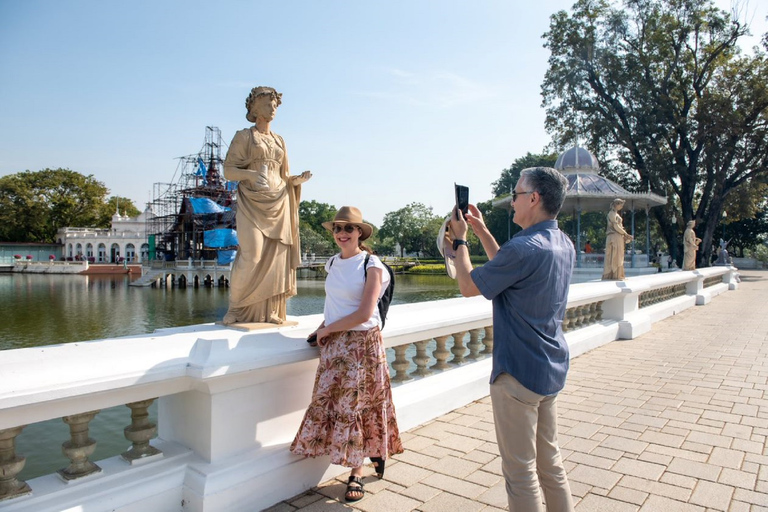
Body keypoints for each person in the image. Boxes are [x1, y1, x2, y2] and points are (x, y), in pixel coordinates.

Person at [449, 167, 575, 511]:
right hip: (549, 369)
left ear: (534, 198)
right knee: (550, 463)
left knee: (520, 472)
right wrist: (482, 231)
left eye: (516, 195)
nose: (512, 202)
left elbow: (468, 286)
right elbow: (509, 266)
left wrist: (460, 240)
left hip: (517, 373)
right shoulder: (561, 243)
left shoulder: (524, 248)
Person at [290, 206, 404, 503]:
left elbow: (365, 312)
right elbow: (335, 306)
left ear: (359, 233)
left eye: (348, 229)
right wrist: (321, 329)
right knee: (332, 402)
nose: (342, 233)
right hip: (335, 345)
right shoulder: (331, 263)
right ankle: (374, 451)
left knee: (358, 406)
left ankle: (356, 473)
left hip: (362, 345)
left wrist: (329, 331)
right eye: (338, 228)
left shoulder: (372, 264)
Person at [222, 86, 312, 325]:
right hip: (252, 202)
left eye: (274, 104)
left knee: (276, 259)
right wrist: (251, 175)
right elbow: (228, 171)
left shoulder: (280, 140)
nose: (272, 108)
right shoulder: (244, 136)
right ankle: (235, 307)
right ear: (254, 107)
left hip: (280, 201)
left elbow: (285, 175)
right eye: (267, 103)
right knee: (251, 255)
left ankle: (270, 310)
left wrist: (296, 181)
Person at [601, 198, 633, 280]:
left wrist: (624, 234)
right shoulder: (611, 213)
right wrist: (625, 233)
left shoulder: (615, 214)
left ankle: (618, 274)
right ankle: (615, 274)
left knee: (619, 255)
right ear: (616, 204)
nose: (622, 207)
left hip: (618, 236)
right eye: (621, 205)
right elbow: (616, 226)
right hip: (614, 236)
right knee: (615, 255)